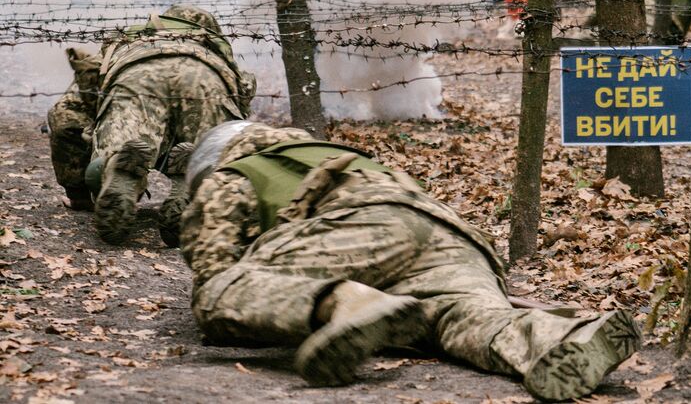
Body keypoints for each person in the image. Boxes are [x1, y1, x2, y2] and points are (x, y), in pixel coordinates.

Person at [179, 121, 641, 402]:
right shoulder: (339, 156)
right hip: (452, 236)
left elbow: (214, 269)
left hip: (358, 229)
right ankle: (560, 336)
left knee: (219, 293)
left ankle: (348, 300)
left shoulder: (231, 175)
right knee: (466, 319)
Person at [47, 4, 255, 245]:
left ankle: (116, 171)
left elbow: (65, 119)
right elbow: (239, 112)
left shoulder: (128, 41)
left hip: (136, 75)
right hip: (207, 79)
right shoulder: (214, 50)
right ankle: (192, 181)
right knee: (209, 157)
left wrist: (78, 192)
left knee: (116, 155)